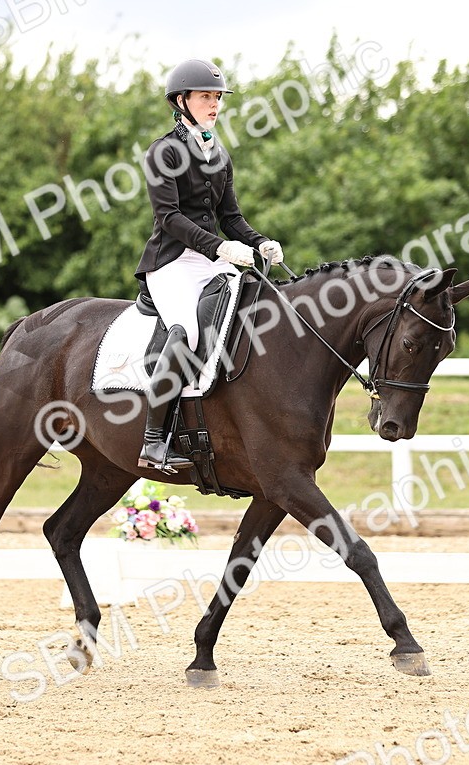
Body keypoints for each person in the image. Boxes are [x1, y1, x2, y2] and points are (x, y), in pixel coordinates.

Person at [134, 58, 284, 473]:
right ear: (181, 101)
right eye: (205, 97)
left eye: (217, 97)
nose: (214, 104)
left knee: (256, 310)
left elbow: (231, 216)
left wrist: (260, 242)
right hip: (170, 263)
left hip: (210, 259)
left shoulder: (219, 153)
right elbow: (170, 218)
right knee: (187, 329)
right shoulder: (163, 151)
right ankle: (153, 441)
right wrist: (220, 248)